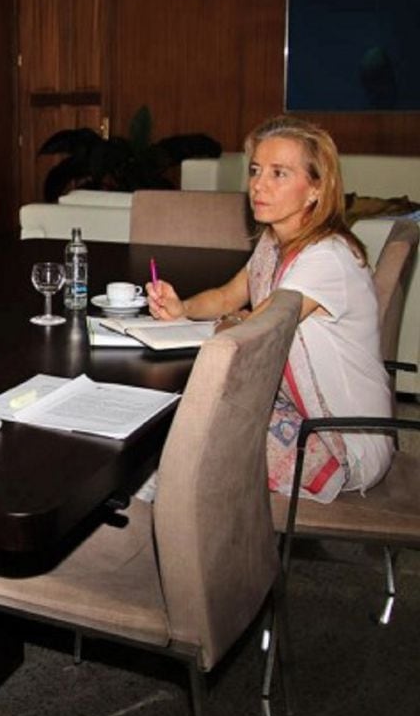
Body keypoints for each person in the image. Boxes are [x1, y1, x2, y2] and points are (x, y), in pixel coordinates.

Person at [145, 116, 393, 502]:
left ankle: (156, 540)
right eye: (257, 170)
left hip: (341, 439)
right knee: (177, 430)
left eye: (279, 174)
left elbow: (252, 334)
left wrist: (236, 321)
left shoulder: (326, 258)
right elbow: (229, 297)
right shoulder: (274, 242)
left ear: (315, 189)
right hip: (295, 410)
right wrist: (183, 308)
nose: (258, 185)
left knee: (183, 443)